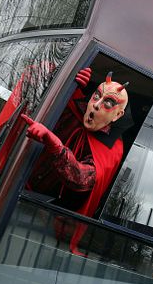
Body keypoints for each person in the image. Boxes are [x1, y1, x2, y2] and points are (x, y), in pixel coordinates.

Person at [21, 67, 131, 255]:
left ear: (118, 115)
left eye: (109, 103)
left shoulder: (112, 148)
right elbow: (34, 81)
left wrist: (55, 145)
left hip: (47, 223)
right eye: (96, 96)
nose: (96, 105)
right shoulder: (72, 106)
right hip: (17, 192)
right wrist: (64, 75)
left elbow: (82, 179)